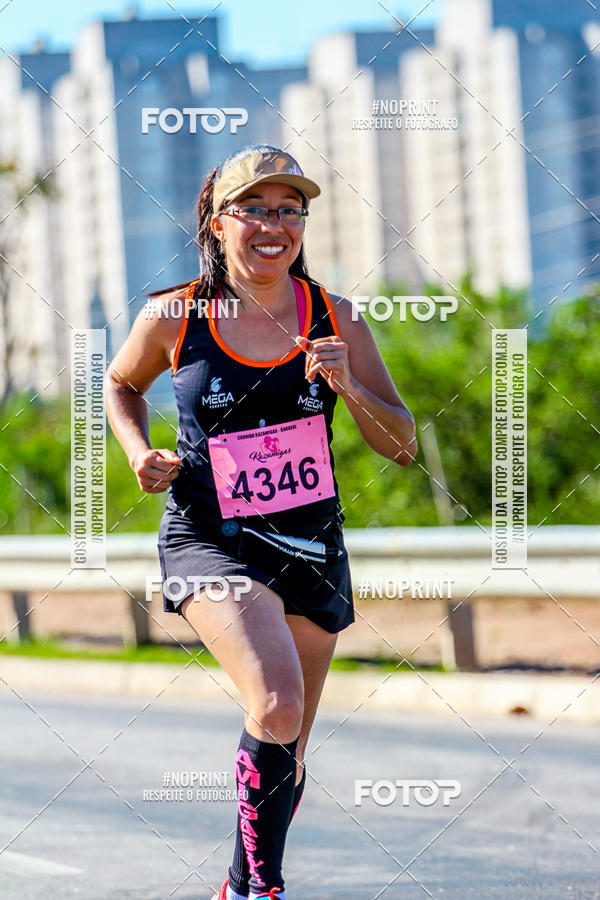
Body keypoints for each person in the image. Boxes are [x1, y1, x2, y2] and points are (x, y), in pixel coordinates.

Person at [104, 144, 417, 900]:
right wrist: (140, 450)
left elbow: (402, 446)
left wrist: (347, 383)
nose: (273, 225)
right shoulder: (176, 313)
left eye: (290, 210)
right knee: (273, 702)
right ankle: (263, 891)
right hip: (212, 537)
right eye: (255, 209)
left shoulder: (333, 316)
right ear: (216, 223)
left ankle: (239, 883)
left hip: (310, 542)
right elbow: (120, 383)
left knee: (290, 744)